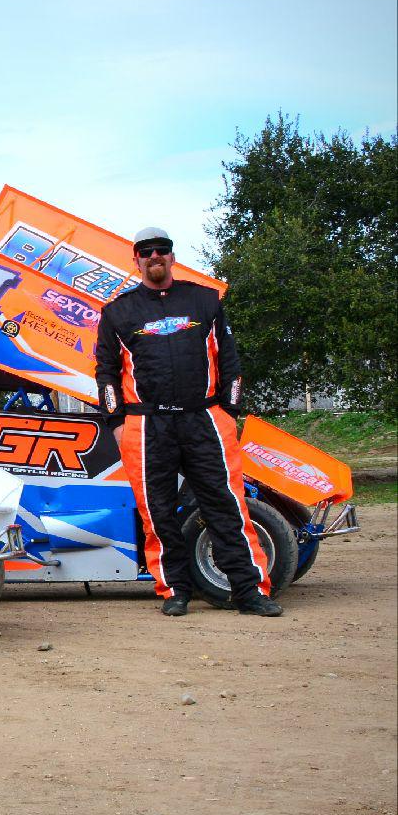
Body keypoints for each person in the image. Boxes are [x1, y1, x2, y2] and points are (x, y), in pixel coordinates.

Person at [94, 226, 281, 618]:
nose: (155, 256)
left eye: (162, 249)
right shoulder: (117, 311)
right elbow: (106, 372)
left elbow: (229, 362)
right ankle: (174, 590)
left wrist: (228, 411)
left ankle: (249, 591)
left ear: (172, 257)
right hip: (147, 426)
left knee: (226, 506)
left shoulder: (205, 301)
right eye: (146, 251)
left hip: (205, 419)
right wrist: (115, 421)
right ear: (137, 260)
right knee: (157, 512)